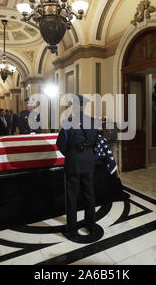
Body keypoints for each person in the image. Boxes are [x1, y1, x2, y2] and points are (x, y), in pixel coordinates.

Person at [56, 94, 99, 241]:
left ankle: (72, 229)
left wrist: (71, 154)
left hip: (73, 163)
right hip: (88, 162)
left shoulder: (68, 123)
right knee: (89, 194)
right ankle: (91, 225)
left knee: (72, 196)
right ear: (84, 106)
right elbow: (96, 142)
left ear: (74, 107)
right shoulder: (93, 122)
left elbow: (60, 145)